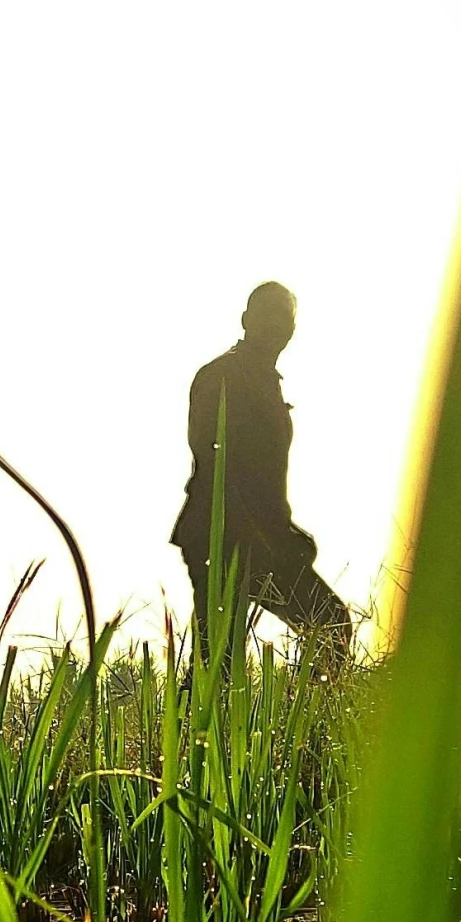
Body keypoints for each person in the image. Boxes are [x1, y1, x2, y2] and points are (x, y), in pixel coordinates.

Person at [170, 282, 353, 663]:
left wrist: (283, 532)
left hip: (264, 538)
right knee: (218, 659)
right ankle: (196, 720)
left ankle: (306, 716)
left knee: (330, 624)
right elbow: (214, 457)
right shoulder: (222, 376)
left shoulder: (266, 381)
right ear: (246, 320)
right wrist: (262, 535)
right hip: (219, 537)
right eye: (268, 314)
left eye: (285, 318)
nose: (277, 326)